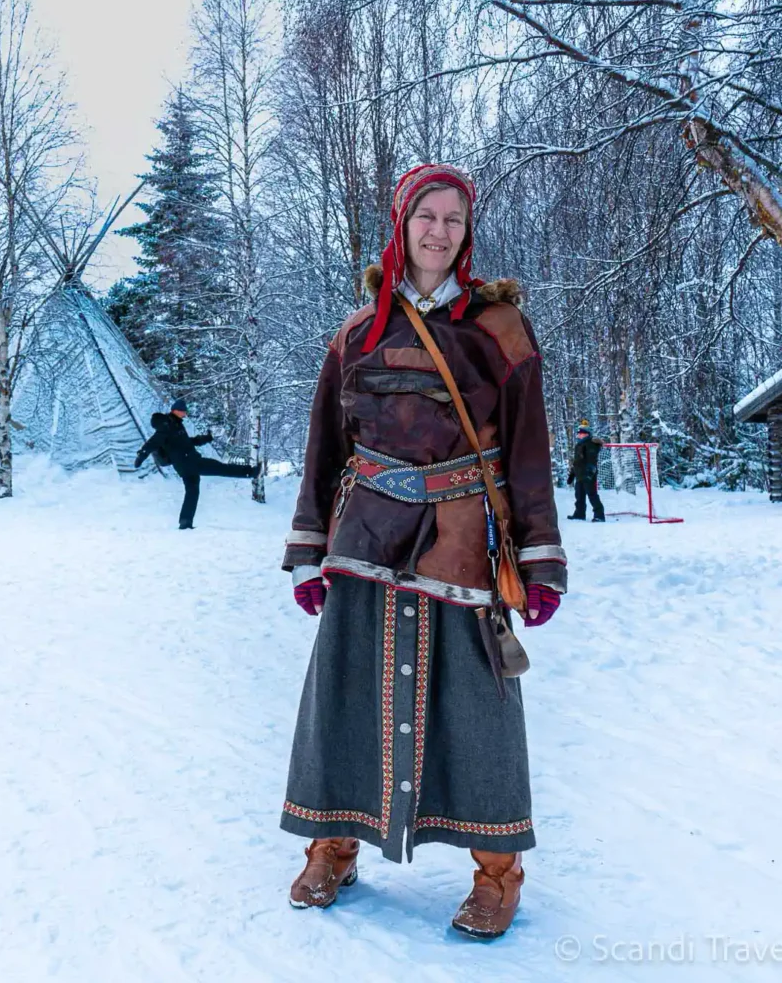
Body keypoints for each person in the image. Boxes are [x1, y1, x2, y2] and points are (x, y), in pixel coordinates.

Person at [280, 164, 567, 939]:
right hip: (364, 538)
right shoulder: (356, 334)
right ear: (401, 224)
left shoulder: (499, 332)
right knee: (347, 696)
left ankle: (496, 873)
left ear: (467, 233)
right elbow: (323, 452)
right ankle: (332, 846)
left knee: (479, 708)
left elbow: (530, 453)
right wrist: (309, 550)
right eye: (427, 216)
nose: (440, 231)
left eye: (454, 219)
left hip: (464, 541)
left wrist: (541, 557)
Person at [134, 397, 258, 529]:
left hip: (184, 465)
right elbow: (153, 442)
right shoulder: (167, 426)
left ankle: (185, 522)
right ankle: (250, 472)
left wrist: (205, 438)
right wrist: (141, 456)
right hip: (189, 461)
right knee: (220, 467)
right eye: (183, 411)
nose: (185, 413)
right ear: (176, 410)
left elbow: (187, 442)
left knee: (192, 492)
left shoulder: (175, 424)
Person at [567, 419, 605, 522]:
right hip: (579, 474)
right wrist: (572, 474)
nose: (579, 435)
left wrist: (589, 473)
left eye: (581, 433)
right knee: (579, 495)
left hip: (588, 475)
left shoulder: (591, 444)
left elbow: (591, 460)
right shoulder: (579, 445)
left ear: (586, 434)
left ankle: (599, 515)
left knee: (592, 494)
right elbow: (577, 462)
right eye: (578, 433)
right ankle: (579, 513)